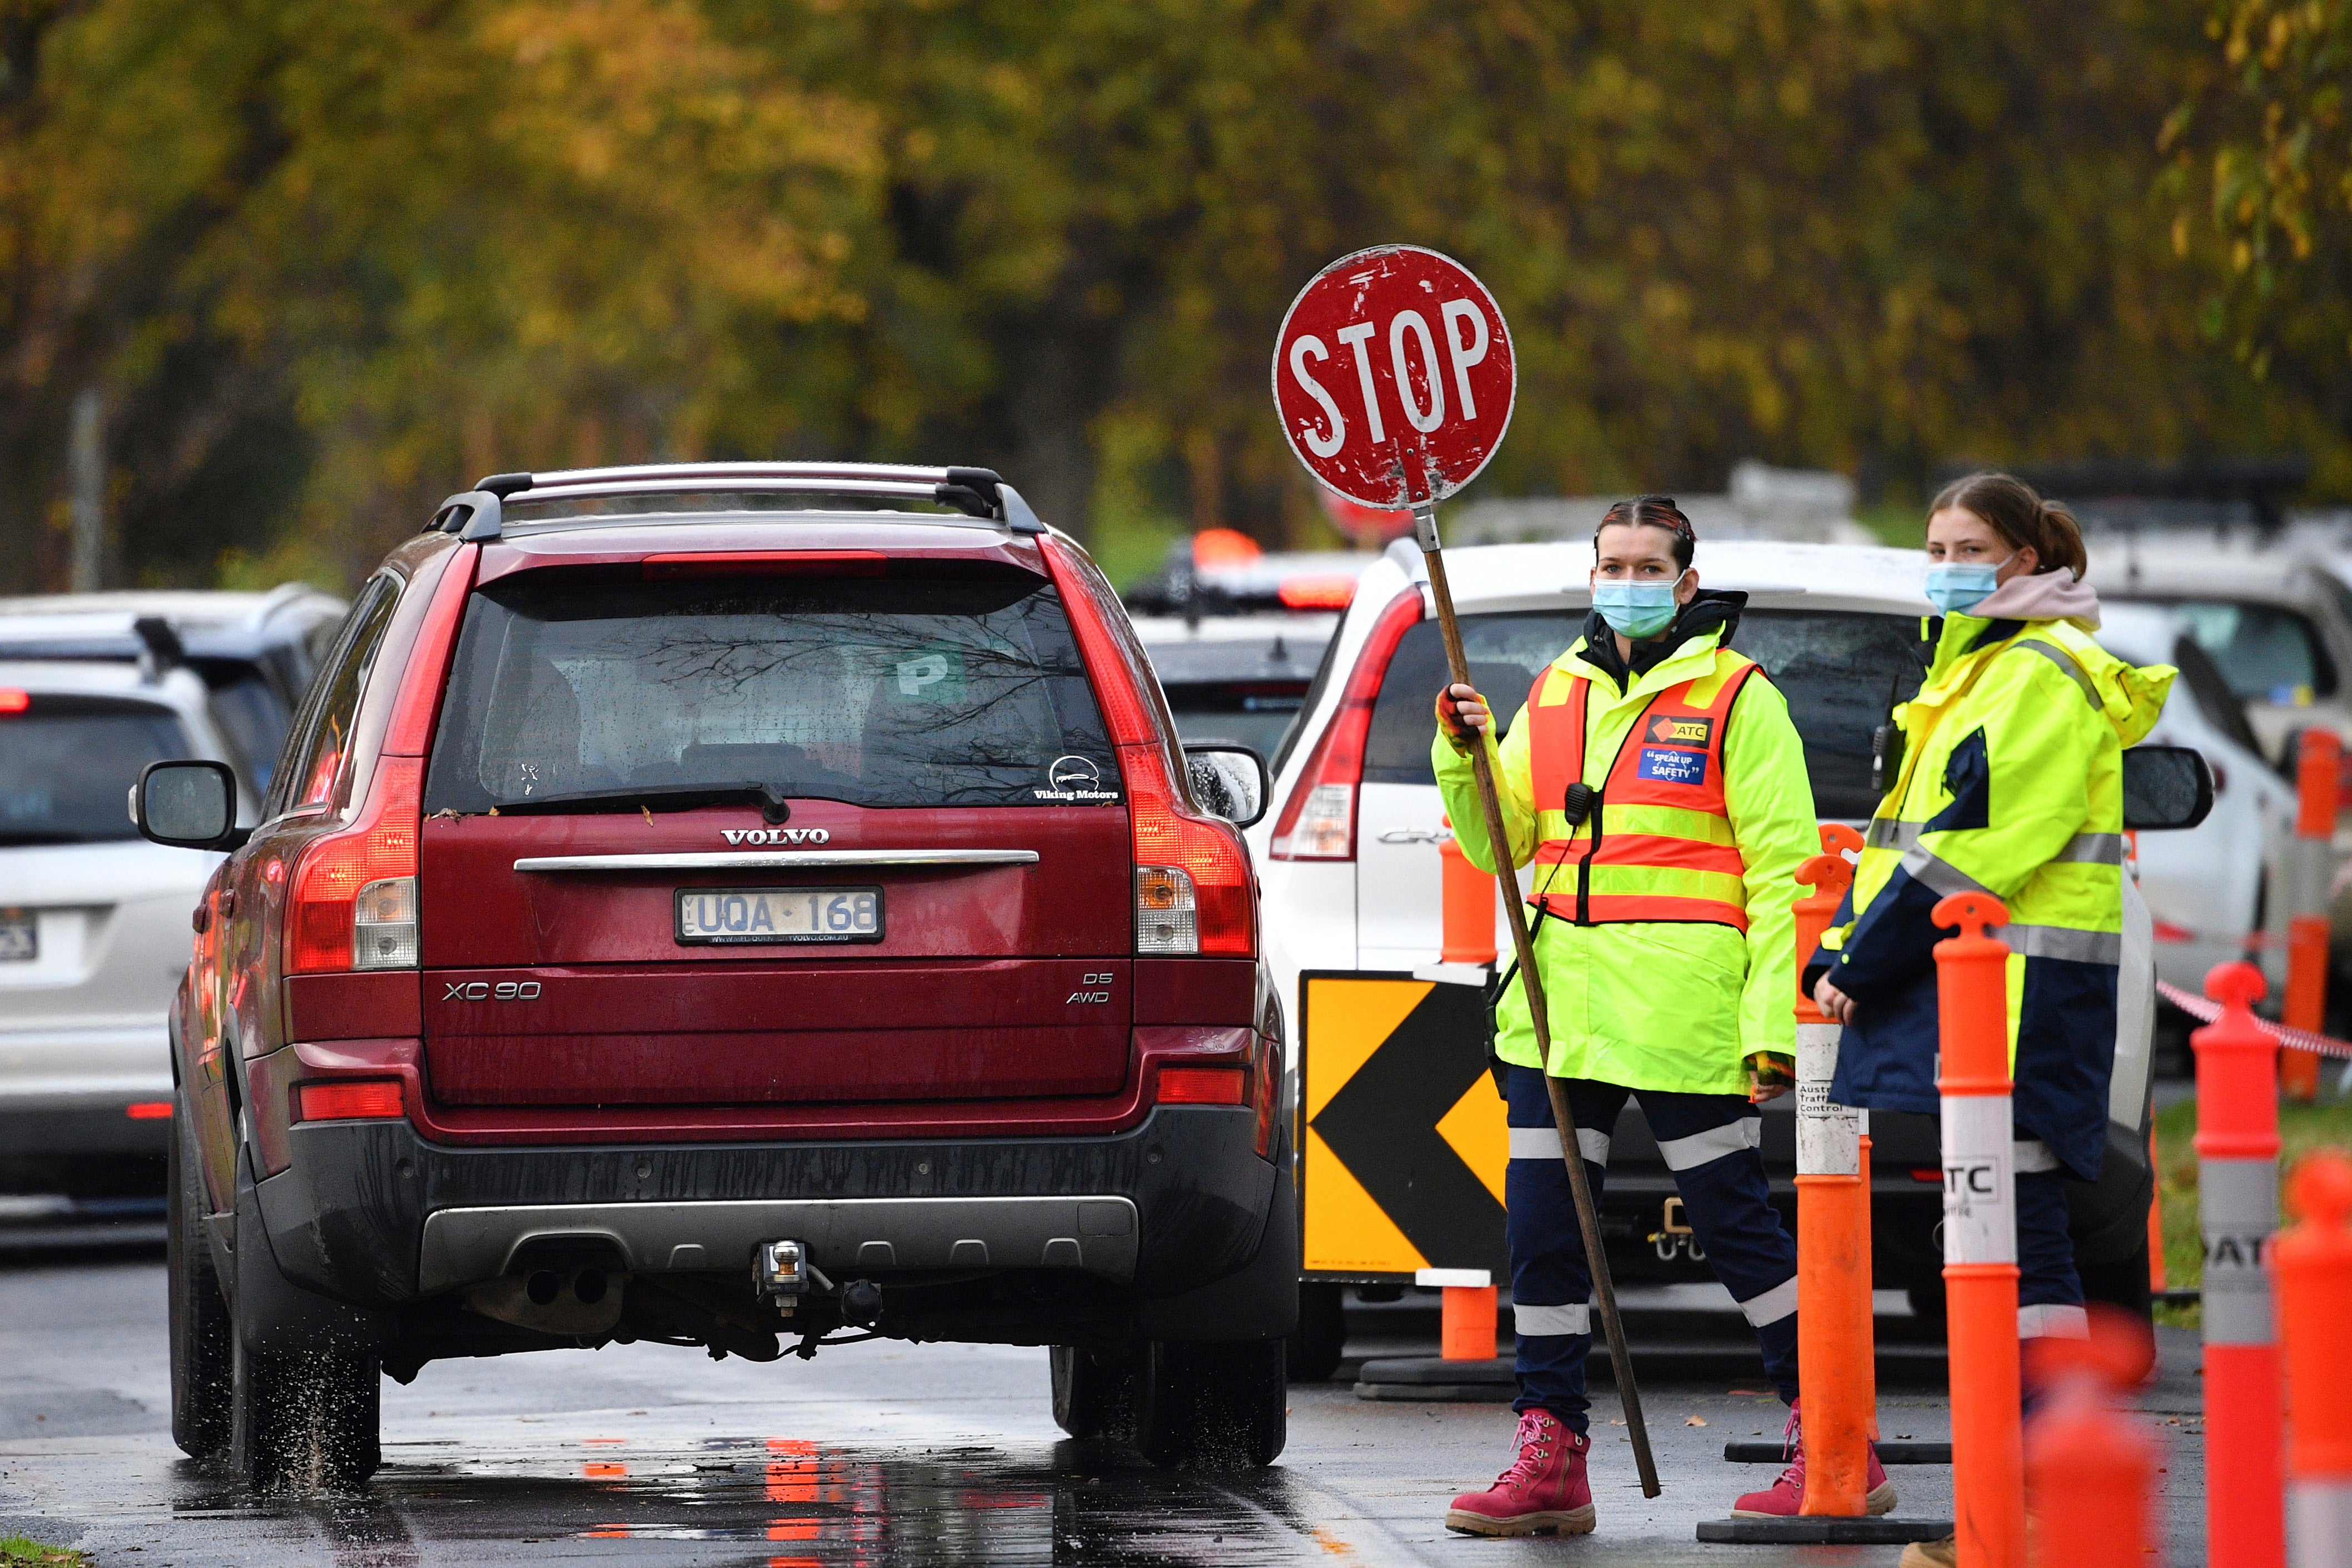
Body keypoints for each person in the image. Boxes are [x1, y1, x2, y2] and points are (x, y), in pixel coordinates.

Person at [1435, 496, 1891, 1536]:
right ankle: (1549, 1452)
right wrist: (1464, 753)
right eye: (1611, 564)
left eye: (1647, 567)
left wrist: (1771, 1025)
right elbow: (1498, 841)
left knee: (1736, 1228)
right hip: (1559, 1009)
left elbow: (1784, 871)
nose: (1625, 582)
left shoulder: (1739, 699)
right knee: (1545, 1237)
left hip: (1685, 1013)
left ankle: (1834, 1439)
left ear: (1686, 582)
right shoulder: (1555, 690)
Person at [1802, 473, 2173, 1568]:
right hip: (1976, 996)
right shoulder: (1976, 670)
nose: (1947, 564)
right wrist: (1840, 941)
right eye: (1935, 545)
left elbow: (1981, 849)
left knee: (2024, 1244)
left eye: (1970, 546)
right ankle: (2024, 1500)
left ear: (2026, 560)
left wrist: (1861, 959)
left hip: (2013, 1001)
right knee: (2000, 1248)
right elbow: (1904, 842)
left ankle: (2043, 1498)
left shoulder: (2040, 678)